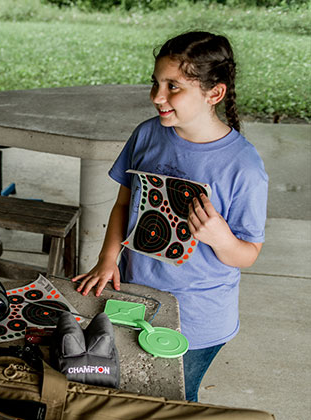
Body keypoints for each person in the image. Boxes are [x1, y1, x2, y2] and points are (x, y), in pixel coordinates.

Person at [71, 31, 267, 402]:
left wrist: (221, 238)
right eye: (156, 83)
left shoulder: (244, 167)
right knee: (129, 391)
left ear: (215, 93)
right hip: (135, 297)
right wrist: (108, 259)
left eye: (173, 87)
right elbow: (123, 205)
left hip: (197, 319)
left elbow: (248, 252)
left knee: (172, 402)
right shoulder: (147, 135)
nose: (156, 97)